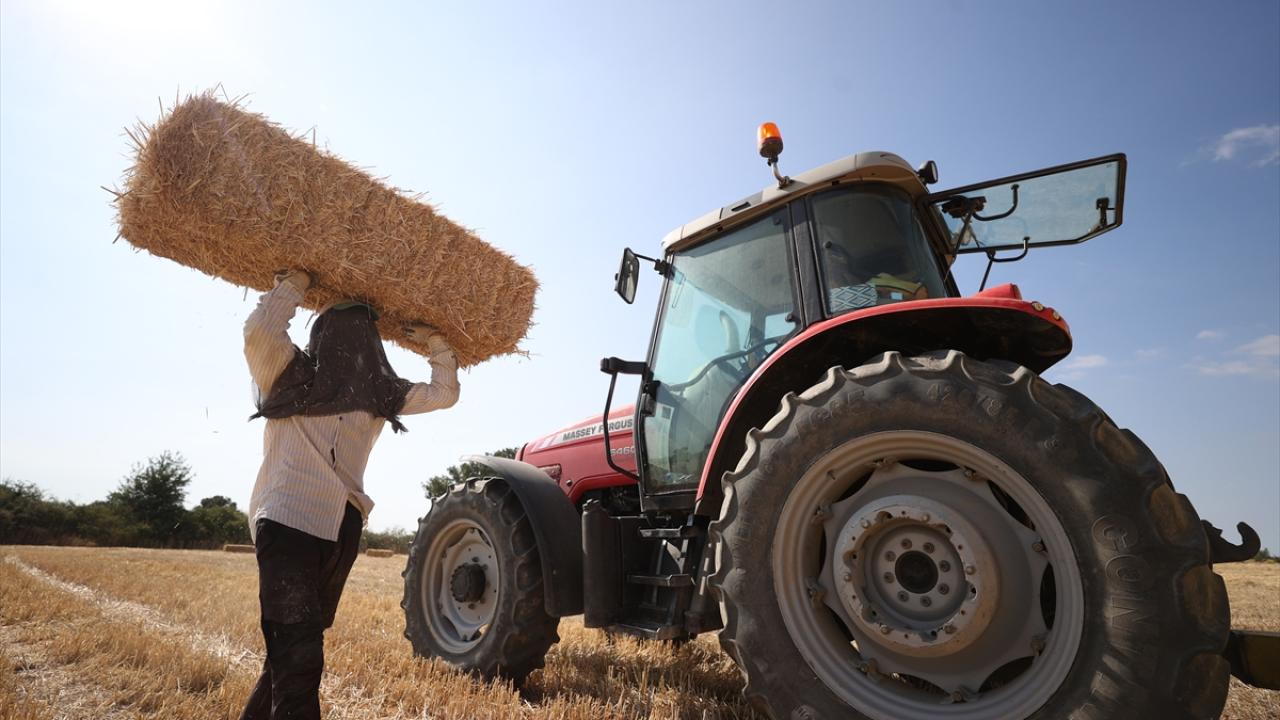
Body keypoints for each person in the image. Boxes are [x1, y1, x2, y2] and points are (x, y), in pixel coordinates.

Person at [239, 269, 459, 720]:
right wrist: (294, 285)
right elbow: (444, 392)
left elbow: (445, 393)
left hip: (334, 529)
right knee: (298, 655)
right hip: (293, 524)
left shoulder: (345, 384)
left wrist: (437, 342)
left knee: (290, 651)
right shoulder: (308, 376)